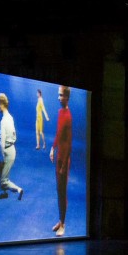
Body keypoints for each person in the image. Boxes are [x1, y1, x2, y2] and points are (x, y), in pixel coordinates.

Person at [50, 85, 72, 236]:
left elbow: (69, 143)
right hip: (58, 157)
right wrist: (52, 148)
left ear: (67, 97)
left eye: (61, 95)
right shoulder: (60, 112)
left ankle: (63, 224)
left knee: (63, 192)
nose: (59, 98)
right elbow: (58, 133)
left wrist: (64, 164)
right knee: (59, 191)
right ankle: (60, 219)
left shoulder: (68, 116)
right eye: (58, 95)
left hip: (64, 160)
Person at [0, 92, 24, 200]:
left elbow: (1, 142)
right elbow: (14, 134)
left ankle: (18, 190)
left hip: (8, 152)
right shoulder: (10, 117)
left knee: (4, 181)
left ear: (2, 104)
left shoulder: (3, 121)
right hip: (12, 149)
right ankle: (4, 193)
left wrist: (3, 154)